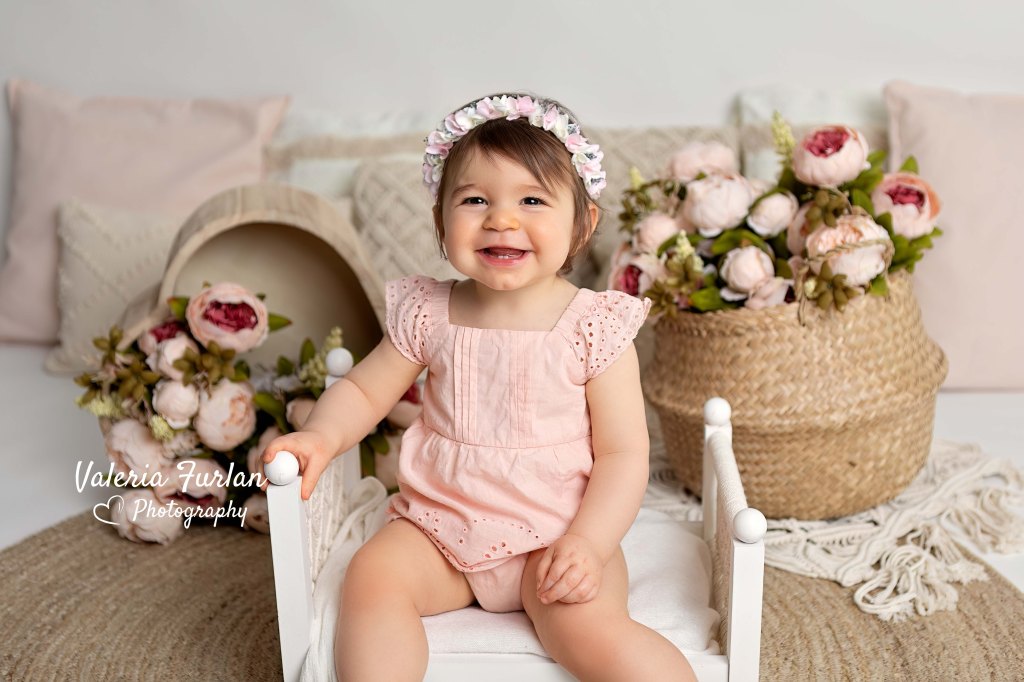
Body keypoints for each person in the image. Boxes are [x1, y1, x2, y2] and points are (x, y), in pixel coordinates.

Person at [262, 92, 697, 681]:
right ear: (441, 220)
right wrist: (319, 436)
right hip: (439, 529)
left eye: (532, 200)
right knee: (372, 577)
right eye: (474, 200)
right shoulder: (430, 312)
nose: (502, 219)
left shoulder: (593, 325)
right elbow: (366, 392)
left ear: (582, 223)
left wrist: (589, 545)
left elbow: (624, 454)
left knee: (589, 629)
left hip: (553, 535)